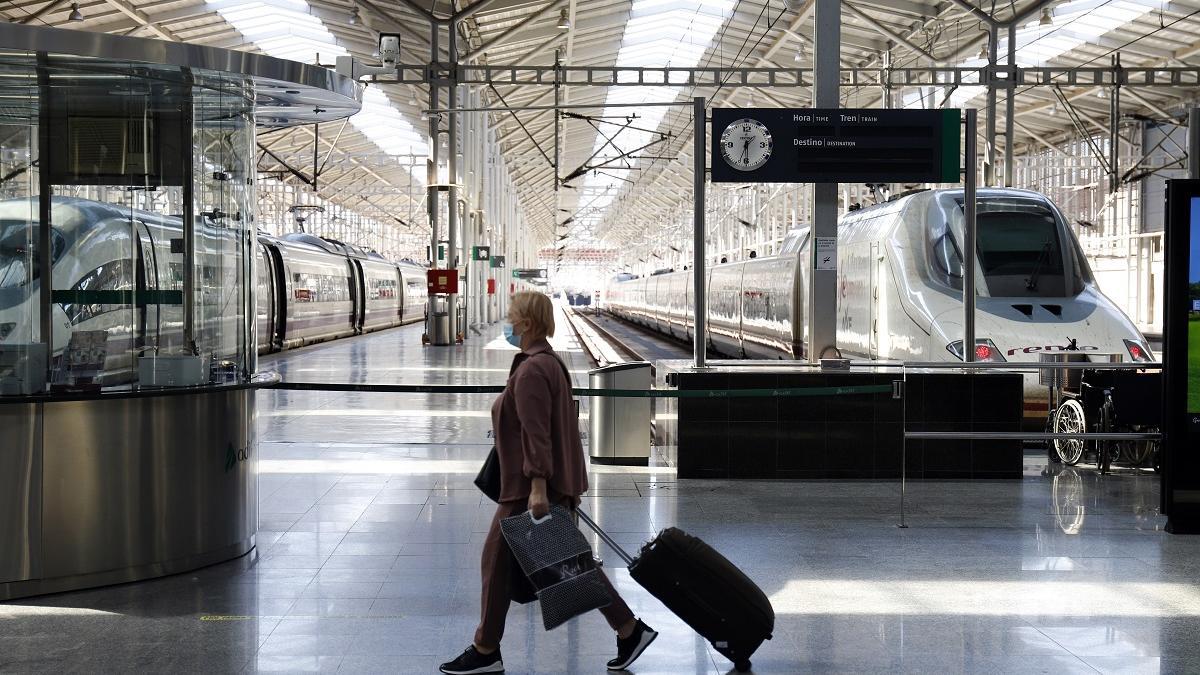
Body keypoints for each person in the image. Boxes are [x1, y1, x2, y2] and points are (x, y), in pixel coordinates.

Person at [440, 291, 658, 675]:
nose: (506, 320)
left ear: (526, 323)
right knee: (565, 564)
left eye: (512, 315)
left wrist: (538, 485)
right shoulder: (545, 362)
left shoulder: (532, 370)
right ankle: (628, 629)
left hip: (529, 489)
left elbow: (536, 433)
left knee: (501, 562)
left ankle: (486, 648)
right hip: (539, 484)